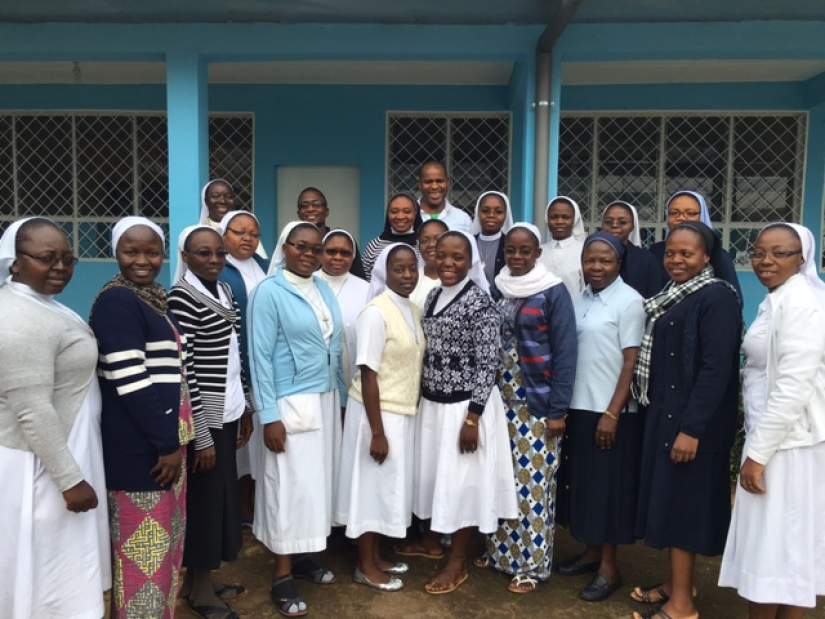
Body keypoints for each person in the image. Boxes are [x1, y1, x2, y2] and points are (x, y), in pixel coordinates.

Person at [630, 221, 742, 619]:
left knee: (683, 510)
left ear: (707, 257)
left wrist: (691, 429)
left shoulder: (717, 298)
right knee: (672, 503)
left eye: (686, 253)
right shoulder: (672, 294)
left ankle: (683, 606)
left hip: (693, 425)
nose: (676, 260)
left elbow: (716, 370)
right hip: (668, 415)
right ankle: (677, 584)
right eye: (671, 253)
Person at [0, 217, 110, 619]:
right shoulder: (15, 319)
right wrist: (69, 480)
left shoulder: (43, 305)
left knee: (62, 561)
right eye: (47, 259)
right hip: (41, 464)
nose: (61, 268)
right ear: (15, 262)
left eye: (68, 258)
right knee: (47, 565)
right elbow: (31, 408)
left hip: (64, 448)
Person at [719, 223, 825, 618]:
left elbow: (793, 386)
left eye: (780, 253)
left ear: (803, 259)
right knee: (788, 550)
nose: (766, 260)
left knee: (774, 551)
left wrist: (758, 454)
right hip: (775, 439)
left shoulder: (801, 304)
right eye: (760, 252)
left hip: (787, 446)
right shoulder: (779, 299)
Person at [411, 230, 518, 594]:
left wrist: (472, 417)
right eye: (443, 255)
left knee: (462, 484)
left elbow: (490, 363)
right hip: (434, 405)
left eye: (458, 257)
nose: (449, 264)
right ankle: (436, 543)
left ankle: (457, 563)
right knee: (441, 480)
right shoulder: (432, 297)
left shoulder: (480, 303)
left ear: (470, 261)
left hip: (465, 409)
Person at [248, 221, 345, 616]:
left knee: (315, 485)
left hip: (324, 398)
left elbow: (333, 345)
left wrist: (337, 396)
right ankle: (282, 574)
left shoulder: (321, 287)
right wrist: (269, 415)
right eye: (300, 246)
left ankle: (304, 557)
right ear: (284, 248)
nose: (309, 253)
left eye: (315, 248)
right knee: (288, 487)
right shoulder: (268, 292)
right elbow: (260, 356)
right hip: (289, 404)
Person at [480, 223, 577, 594]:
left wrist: (558, 410)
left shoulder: (553, 292)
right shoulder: (498, 286)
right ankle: (501, 553)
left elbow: (566, 354)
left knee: (534, 485)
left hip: (536, 404)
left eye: (526, 251)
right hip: (498, 403)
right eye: (512, 250)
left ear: (538, 253)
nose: (517, 257)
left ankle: (532, 564)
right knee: (501, 479)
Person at [555, 231, 646, 602]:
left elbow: (632, 361)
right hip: (580, 406)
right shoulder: (580, 298)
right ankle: (592, 553)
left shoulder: (629, 302)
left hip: (610, 411)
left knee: (609, 490)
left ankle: (610, 568)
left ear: (619, 264)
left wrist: (613, 411)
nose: (595, 266)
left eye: (604, 260)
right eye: (590, 259)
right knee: (587, 485)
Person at [169, 225, 253, 619]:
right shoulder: (182, 298)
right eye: (204, 254)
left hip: (230, 411)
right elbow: (188, 375)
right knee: (204, 503)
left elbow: (236, 353)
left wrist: (247, 406)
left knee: (221, 500)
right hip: (207, 421)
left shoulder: (224, 290)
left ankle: (201, 580)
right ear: (185, 257)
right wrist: (201, 437)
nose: (214, 260)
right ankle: (200, 591)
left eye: (219, 253)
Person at [335, 243, 425, 591]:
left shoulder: (413, 309)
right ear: (384, 272)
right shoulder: (375, 312)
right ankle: (364, 565)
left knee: (386, 488)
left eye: (411, 268)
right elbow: (368, 373)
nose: (406, 275)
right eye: (398, 268)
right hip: (376, 414)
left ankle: (377, 557)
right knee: (370, 490)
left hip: (401, 412)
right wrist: (377, 432)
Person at [219, 210, 270, 523]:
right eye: (239, 232)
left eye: (253, 233)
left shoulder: (264, 267)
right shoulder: (220, 270)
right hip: (234, 366)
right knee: (239, 443)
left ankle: (253, 505)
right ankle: (236, 509)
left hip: (263, 365)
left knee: (258, 444)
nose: (247, 238)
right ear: (225, 235)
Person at [649, 191, 741, 300]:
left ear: (702, 217)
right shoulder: (656, 251)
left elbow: (733, 298)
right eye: (674, 213)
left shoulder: (718, 255)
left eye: (691, 213)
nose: (682, 218)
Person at [317, 229, 370, 391]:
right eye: (331, 252)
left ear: (353, 256)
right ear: (320, 253)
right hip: (314, 373)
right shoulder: (307, 283)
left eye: (345, 253)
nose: (338, 257)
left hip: (355, 371)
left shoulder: (366, 289)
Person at [601, 201, 666, 298]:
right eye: (608, 222)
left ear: (632, 226)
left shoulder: (646, 259)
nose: (614, 225)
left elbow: (654, 295)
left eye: (622, 222)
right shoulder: (591, 255)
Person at [297, 188, 366, 277]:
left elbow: (358, 278)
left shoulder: (343, 242)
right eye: (304, 205)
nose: (310, 209)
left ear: (326, 211)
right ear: (299, 213)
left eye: (316, 204)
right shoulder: (294, 244)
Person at [362, 193, 423, 280]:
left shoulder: (423, 245)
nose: (400, 216)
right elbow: (365, 282)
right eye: (394, 211)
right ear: (388, 213)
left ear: (415, 213)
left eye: (407, 211)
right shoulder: (374, 246)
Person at [201, 178, 267, 259]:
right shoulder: (201, 234)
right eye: (215, 196)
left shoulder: (247, 231)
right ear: (205, 201)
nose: (222, 201)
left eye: (228, 196)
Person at [539, 195, 587, 298]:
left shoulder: (584, 251)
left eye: (565, 217)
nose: (559, 221)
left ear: (574, 219)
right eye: (554, 217)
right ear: (547, 219)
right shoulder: (538, 252)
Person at [471, 190, 514, 290]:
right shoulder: (468, 243)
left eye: (498, 212)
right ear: (477, 213)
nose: (491, 215)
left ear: (506, 215)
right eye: (485, 211)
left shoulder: (511, 245)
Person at [417, 161, 472, 233]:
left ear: (448, 183)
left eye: (439, 181)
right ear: (420, 185)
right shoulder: (407, 217)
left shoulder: (462, 219)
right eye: (428, 182)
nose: (434, 186)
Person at [410, 218, 448, 311]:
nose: (431, 244)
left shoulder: (460, 280)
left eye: (438, 239)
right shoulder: (410, 279)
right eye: (425, 240)